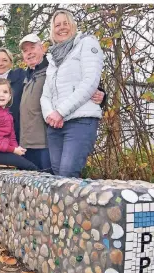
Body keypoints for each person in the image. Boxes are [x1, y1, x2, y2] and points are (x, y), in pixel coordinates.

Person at [19, 34, 105, 172]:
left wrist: (101, 93)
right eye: (25, 51)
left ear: (42, 48)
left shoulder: (53, 67)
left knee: (60, 180)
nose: (29, 53)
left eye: (32, 48)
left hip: (47, 142)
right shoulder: (23, 77)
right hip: (27, 144)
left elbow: (75, 81)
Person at [41, 10, 104, 178]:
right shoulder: (53, 59)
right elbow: (45, 95)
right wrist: (50, 115)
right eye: (57, 25)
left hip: (80, 122)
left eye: (65, 23)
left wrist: (60, 112)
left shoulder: (87, 43)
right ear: (52, 30)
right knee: (58, 175)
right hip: (56, 126)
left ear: (73, 25)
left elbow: (90, 82)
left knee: (68, 174)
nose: (62, 28)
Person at [0, 79, 38, 170]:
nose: (1, 95)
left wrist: (16, 149)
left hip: (6, 151)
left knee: (28, 162)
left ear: (10, 96)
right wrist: (13, 150)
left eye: (5, 92)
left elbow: (12, 137)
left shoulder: (8, 115)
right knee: (30, 167)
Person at [0, 48, 25, 143]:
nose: (0, 63)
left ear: (11, 63)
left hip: (15, 131)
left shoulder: (20, 76)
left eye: (4, 60)